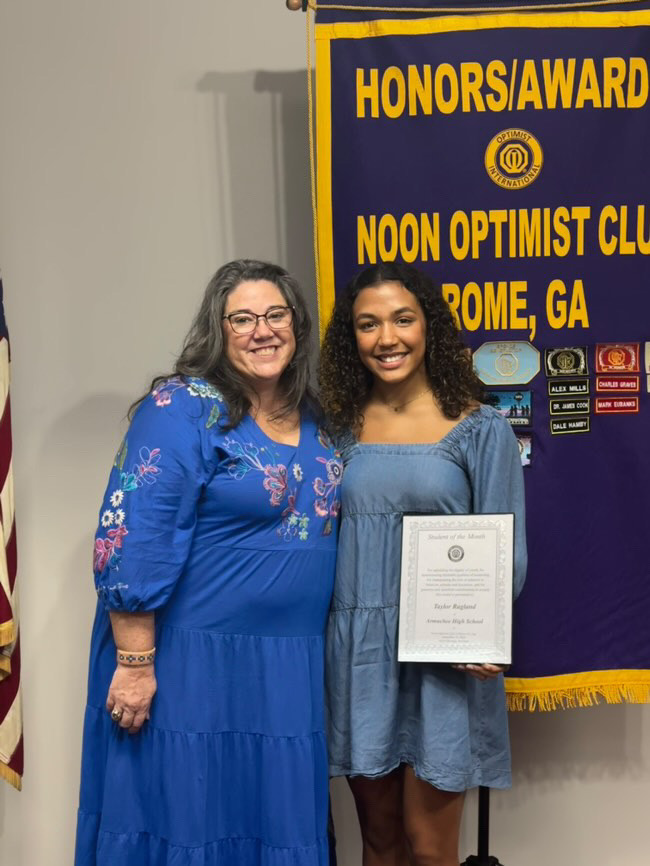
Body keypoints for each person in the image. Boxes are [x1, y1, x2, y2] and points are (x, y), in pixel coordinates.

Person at [75, 260, 342, 866]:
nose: (262, 330)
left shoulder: (317, 418)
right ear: (217, 331)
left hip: (287, 667)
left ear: (296, 327)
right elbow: (131, 534)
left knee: (273, 819)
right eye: (241, 318)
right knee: (188, 818)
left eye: (275, 315)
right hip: (191, 660)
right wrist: (137, 665)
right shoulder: (182, 407)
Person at [319, 262, 527, 866]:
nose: (388, 337)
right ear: (350, 339)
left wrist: (484, 632)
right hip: (361, 654)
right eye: (368, 324)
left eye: (403, 319)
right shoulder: (336, 430)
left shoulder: (479, 427)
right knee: (379, 844)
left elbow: (505, 545)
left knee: (431, 848)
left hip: (445, 660)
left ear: (428, 325)